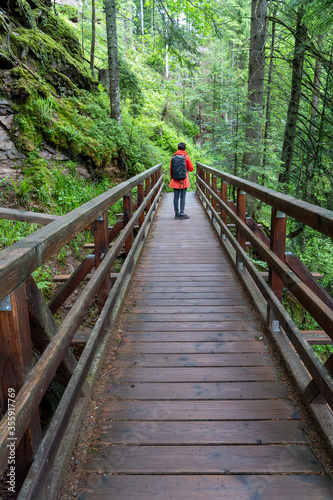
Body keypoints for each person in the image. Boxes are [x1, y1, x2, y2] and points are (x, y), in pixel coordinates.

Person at [169, 142, 194, 219]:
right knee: (182, 197)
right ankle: (182, 213)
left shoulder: (174, 157)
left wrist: (172, 178)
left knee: (176, 197)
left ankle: (176, 213)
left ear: (178, 148)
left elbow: (171, 169)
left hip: (175, 180)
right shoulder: (186, 157)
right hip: (184, 180)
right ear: (185, 148)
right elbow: (191, 169)